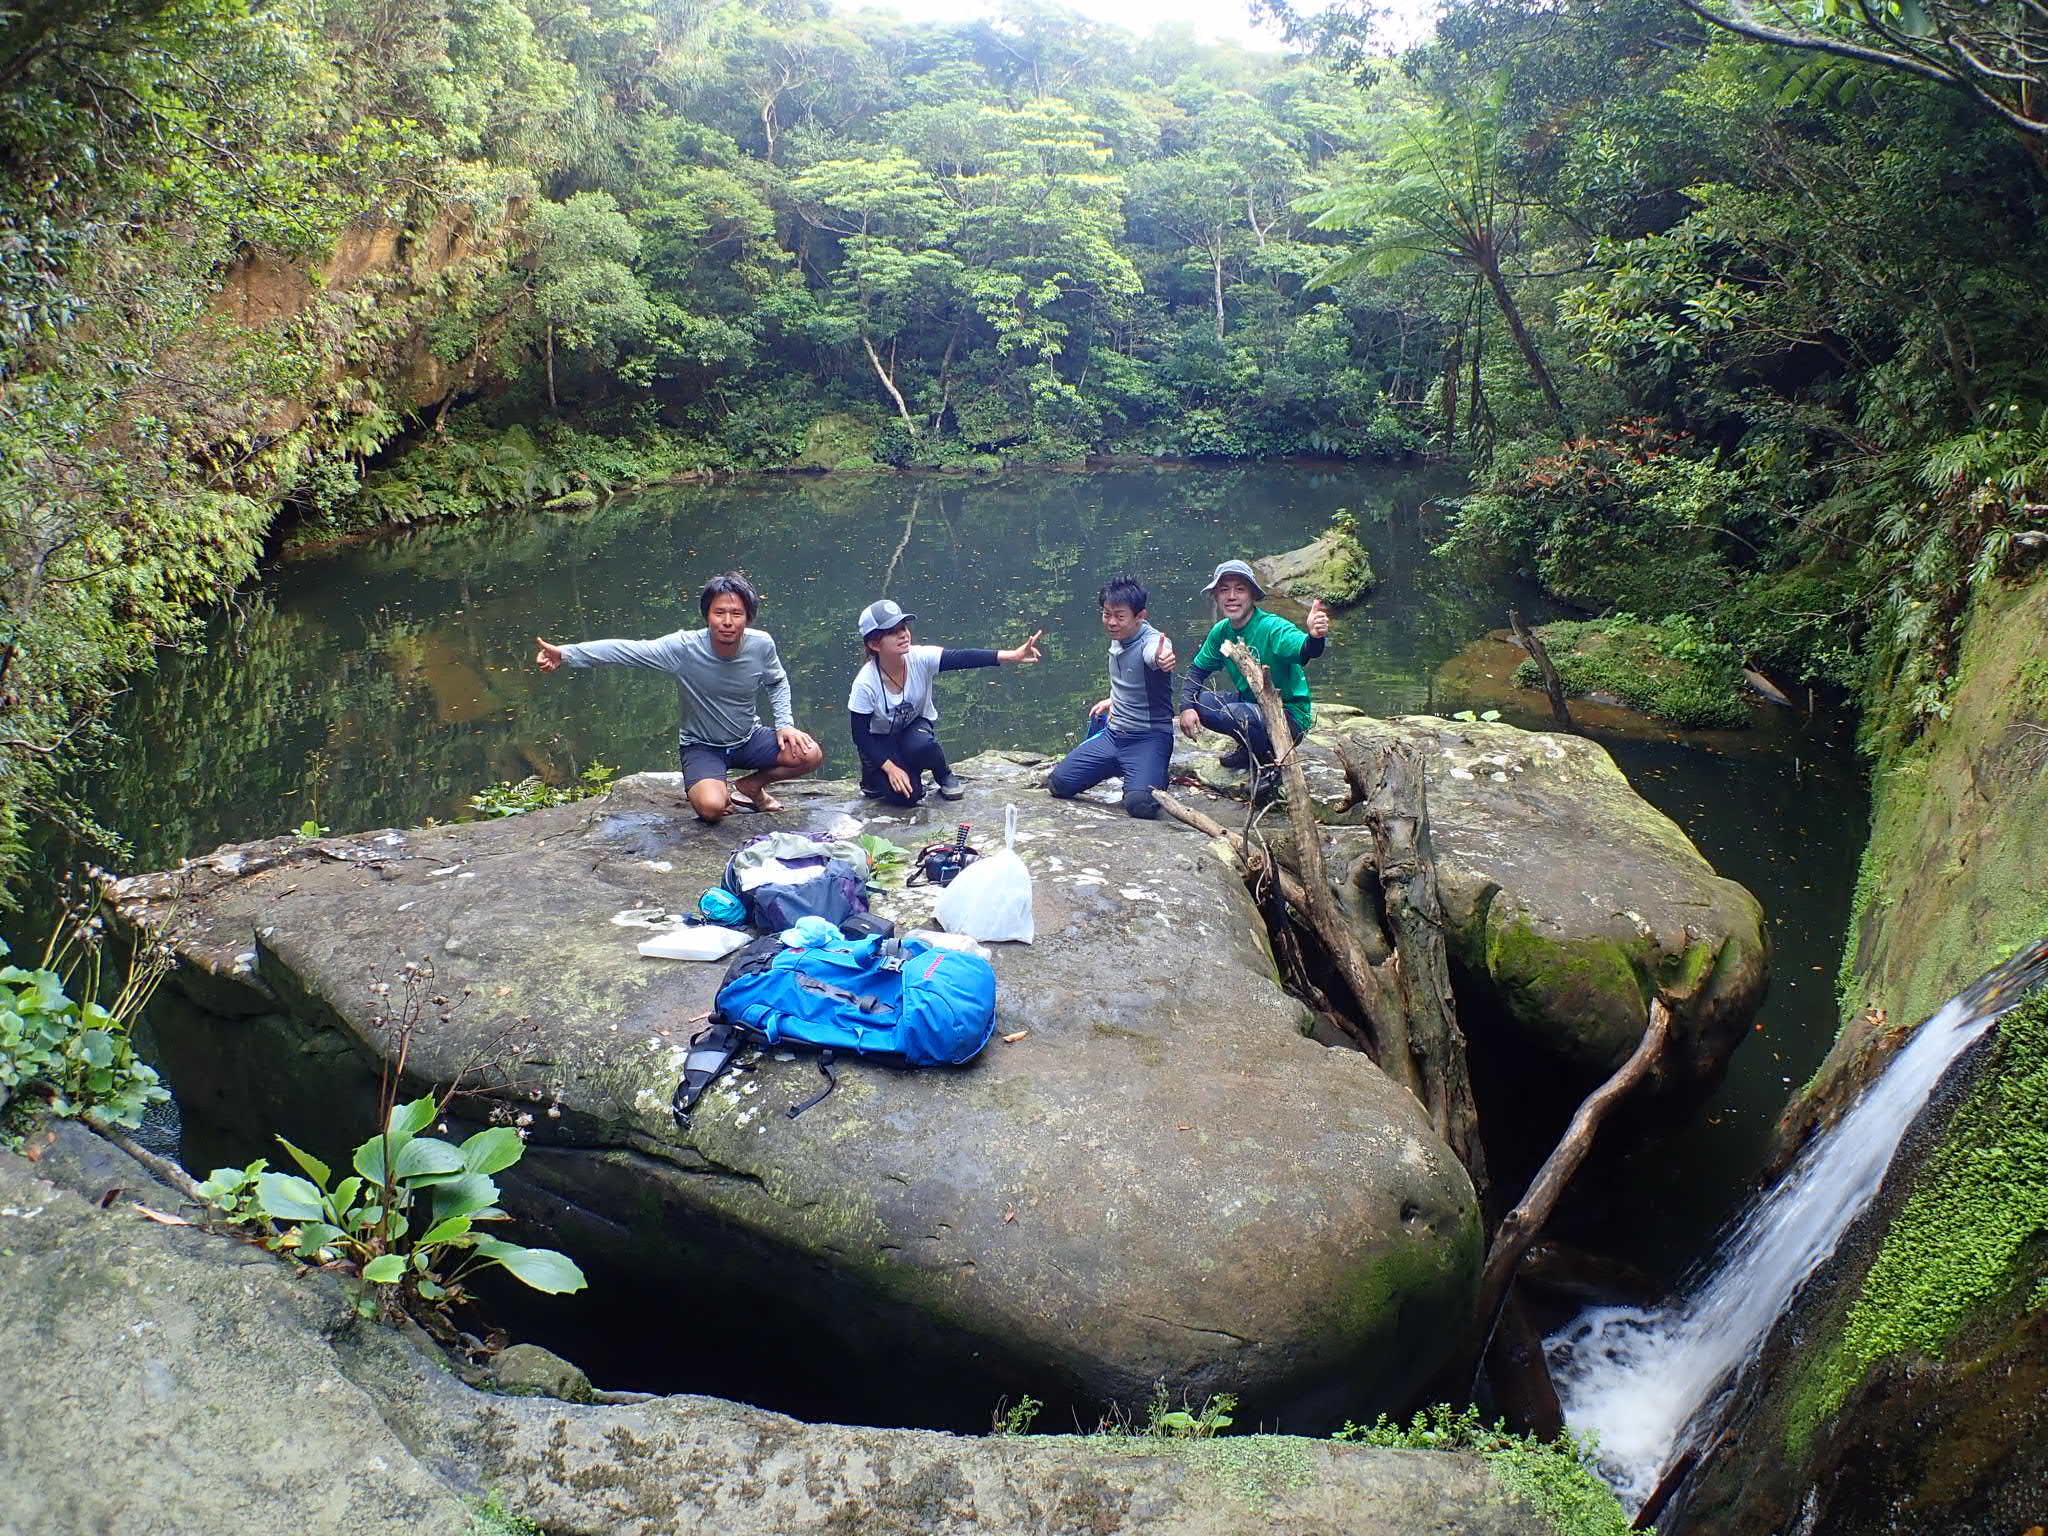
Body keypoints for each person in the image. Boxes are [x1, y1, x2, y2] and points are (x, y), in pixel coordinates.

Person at [534, 572, 823, 822]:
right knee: (711, 809)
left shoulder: (761, 645)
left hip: (748, 738)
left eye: (736, 614)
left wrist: (785, 723)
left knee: (809, 754)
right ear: (707, 614)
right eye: (719, 612)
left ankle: (750, 787)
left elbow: (777, 680)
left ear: (748, 617)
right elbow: (629, 650)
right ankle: (719, 788)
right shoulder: (683, 649)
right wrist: (567, 654)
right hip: (702, 746)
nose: (727, 622)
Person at [848, 598, 1042, 806]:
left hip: (913, 728)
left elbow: (962, 657)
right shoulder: (865, 683)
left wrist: (1012, 655)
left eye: (903, 627)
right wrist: (891, 768)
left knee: (922, 745)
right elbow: (860, 736)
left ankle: (943, 774)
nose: (903, 634)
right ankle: (882, 774)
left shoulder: (919, 657)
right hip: (880, 740)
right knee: (907, 798)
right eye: (892, 631)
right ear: (874, 644)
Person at [1178, 559, 1329, 794]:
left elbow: (1304, 649)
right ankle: (1249, 749)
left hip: (1288, 716)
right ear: (1216, 596)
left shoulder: (1272, 627)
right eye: (1224, 590)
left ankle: (1271, 763)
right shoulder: (1221, 632)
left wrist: (1315, 636)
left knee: (1237, 714)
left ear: (1252, 595)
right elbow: (1197, 670)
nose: (1231, 596)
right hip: (1252, 704)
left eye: (1240, 589)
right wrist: (1186, 707)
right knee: (1201, 704)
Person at [1046, 575, 1179, 819]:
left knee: (1140, 805)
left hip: (1149, 738)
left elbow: (1155, 655)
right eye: (1107, 614)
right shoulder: (1119, 638)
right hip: (1113, 735)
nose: (1111, 622)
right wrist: (1113, 700)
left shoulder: (1152, 641)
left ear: (1140, 616)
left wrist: (1163, 657)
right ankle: (1120, 765)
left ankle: (1150, 771)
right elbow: (1129, 678)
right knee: (1059, 784)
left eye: (1120, 616)